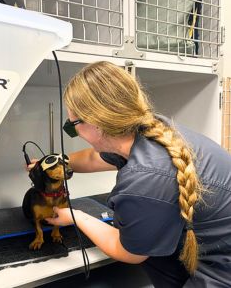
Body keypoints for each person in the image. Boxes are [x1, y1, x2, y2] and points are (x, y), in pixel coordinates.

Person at [37, 61, 231, 287]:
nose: (74, 131)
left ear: (97, 123)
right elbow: (93, 158)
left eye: (73, 124)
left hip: (221, 270)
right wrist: (53, 162)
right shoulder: (151, 128)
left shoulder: (145, 180)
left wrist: (75, 215)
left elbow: (129, 252)